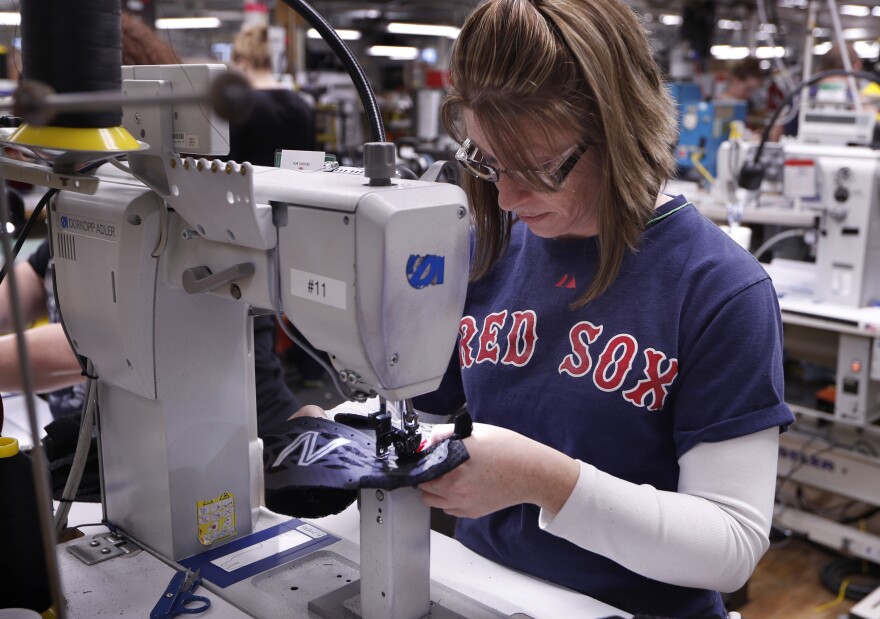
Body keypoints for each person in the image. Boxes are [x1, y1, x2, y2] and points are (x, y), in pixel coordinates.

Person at [295, 0, 794, 616]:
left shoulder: (720, 290)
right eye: (487, 162)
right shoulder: (487, 248)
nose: (505, 195)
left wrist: (548, 483)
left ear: (622, 128)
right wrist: (351, 425)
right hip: (485, 591)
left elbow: (730, 547)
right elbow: (422, 414)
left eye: (536, 168)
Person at [0, 13, 302, 439]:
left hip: (232, 440)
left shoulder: (180, 208)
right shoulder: (90, 197)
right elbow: (26, 287)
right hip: (120, 451)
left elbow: (98, 340)